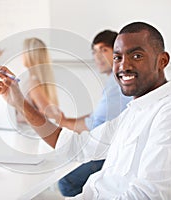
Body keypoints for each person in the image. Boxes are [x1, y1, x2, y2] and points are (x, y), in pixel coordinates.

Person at [0, 22, 171, 199]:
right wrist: (20, 103)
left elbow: (149, 196)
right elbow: (77, 146)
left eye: (137, 55)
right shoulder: (135, 111)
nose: (124, 65)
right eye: (117, 57)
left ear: (162, 61)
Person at [58, 30, 132, 197]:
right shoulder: (116, 80)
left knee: (66, 182)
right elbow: (95, 117)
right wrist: (64, 120)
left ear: (117, 51)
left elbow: (95, 125)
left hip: (115, 153)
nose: (97, 57)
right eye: (94, 52)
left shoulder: (117, 82)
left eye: (103, 50)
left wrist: (58, 122)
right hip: (115, 147)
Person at [19, 37, 59, 122]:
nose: (21, 55)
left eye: (23, 52)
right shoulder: (35, 79)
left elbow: (51, 114)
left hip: (29, 131)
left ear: (29, 55)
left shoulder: (33, 81)